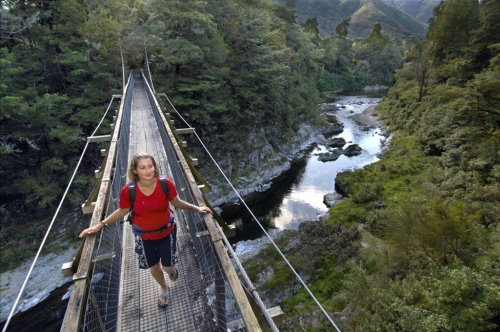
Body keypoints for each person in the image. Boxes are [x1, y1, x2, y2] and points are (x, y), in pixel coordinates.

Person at [79, 152, 211, 307]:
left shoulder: (165, 184)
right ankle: (164, 288)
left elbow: (176, 202)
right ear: (135, 170)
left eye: (150, 166)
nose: (148, 171)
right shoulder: (129, 191)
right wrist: (100, 224)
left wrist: (197, 208)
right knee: (153, 266)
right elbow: (122, 211)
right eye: (142, 168)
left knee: (169, 267)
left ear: (154, 167)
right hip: (144, 236)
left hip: (166, 231)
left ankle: (171, 272)